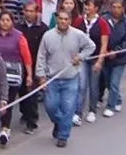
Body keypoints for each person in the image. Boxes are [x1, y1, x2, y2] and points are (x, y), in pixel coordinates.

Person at [37, 9, 95, 147]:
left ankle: (63, 135)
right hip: (52, 78)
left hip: (71, 78)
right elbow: (41, 56)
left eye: (66, 19)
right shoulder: (48, 36)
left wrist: (80, 57)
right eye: (61, 19)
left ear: (70, 20)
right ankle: (59, 122)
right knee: (50, 106)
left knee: (68, 108)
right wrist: (41, 76)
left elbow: (91, 46)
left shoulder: (78, 34)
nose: (63, 21)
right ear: (57, 19)